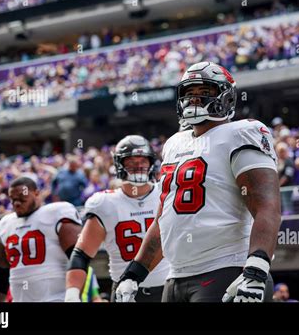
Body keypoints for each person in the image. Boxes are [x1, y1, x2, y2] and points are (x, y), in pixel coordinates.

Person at [114, 61, 281, 302]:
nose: (194, 99)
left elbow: (267, 207)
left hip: (224, 269)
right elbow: (164, 220)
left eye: (204, 92)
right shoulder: (174, 144)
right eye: (189, 93)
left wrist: (256, 269)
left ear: (226, 97)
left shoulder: (241, 133)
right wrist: (134, 273)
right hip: (176, 277)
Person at [65, 136, 169, 302]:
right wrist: (72, 293)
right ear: (120, 164)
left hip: (167, 290)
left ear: (151, 162)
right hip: (125, 292)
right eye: (131, 161)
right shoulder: (105, 203)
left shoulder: (166, 192)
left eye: (143, 160)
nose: (139, 166)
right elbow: (82, 254)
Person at [0, 177, 82, 302]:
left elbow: (79, 259)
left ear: (37, 193)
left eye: (22, 197)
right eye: (13, 199)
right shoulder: (6, 224)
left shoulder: (56, 213)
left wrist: (73, 294)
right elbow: (1, 274)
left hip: (57, 298)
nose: (17, 203)